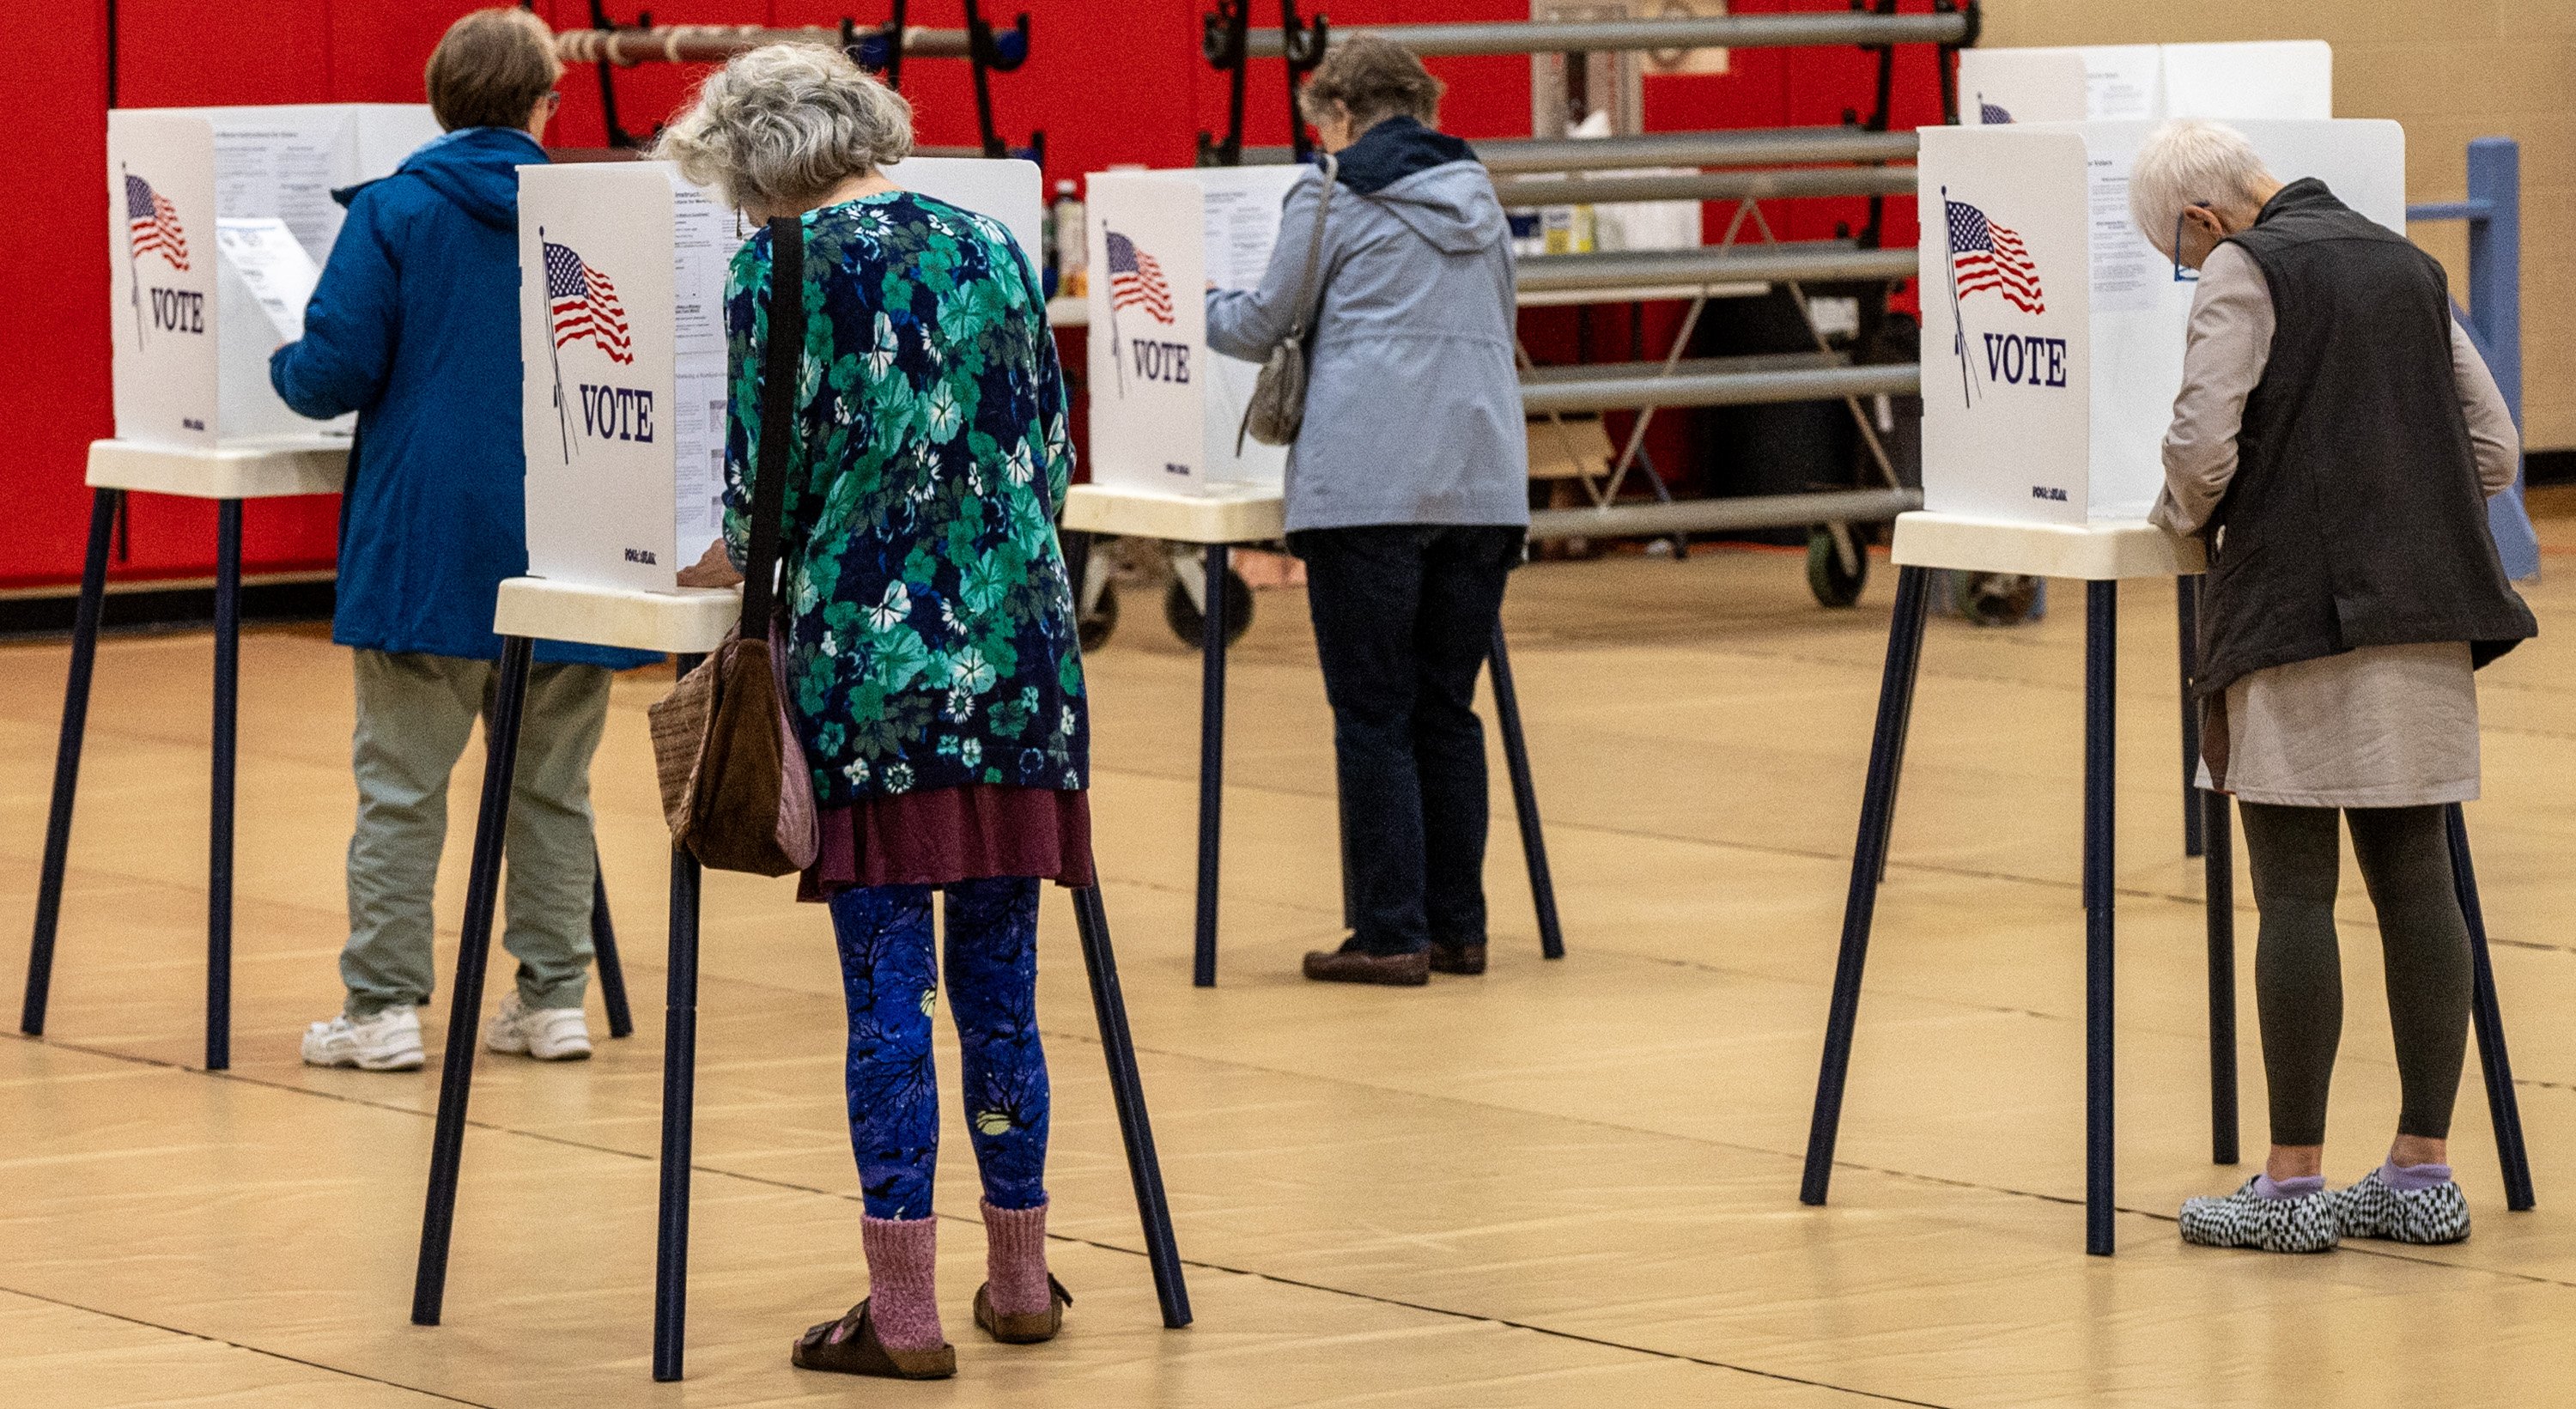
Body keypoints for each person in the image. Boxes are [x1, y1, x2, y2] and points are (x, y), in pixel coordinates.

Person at [657, 42, 1086, 1380]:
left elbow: (757, 500)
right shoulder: (990, 239)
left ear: (759, 164)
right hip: (1022, 663)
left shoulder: (775, 269)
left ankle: (901, 1309)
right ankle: (1019, 1279)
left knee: (887, 994)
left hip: (875, 684)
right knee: (1003, 987)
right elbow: (1052, 454)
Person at [2131, 118, 2536, 1253]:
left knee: (2295, 889)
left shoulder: (2244, 269)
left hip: (2296, 614)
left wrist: (2183, 519)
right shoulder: (2408, 265)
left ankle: (2293, 1190)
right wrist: (2386, 491)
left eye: (2179, 251)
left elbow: (2204, 448)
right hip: (2426, 605)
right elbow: (2495, 450)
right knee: (2418, 882)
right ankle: (2422, 1173)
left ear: (2203, 220)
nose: (2188, 268)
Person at [273, 7, 654, 1073]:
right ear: (549, 102)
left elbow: (330, 373)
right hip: (574, 536)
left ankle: (385, 1009)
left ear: (440, 103)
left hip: (427, 544)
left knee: (401, 788)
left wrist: (279, 367)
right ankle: (553, 1002)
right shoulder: (596, 212)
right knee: (551, 788)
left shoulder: (395, 209)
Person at [1205, 34, 1528, 987]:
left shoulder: (1331, 190)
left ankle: (1390, 933)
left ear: (1337, 113)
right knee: (1447, 709)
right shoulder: (1480, 194)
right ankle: (1460, 930)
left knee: (1374, 713)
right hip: (1482, 484)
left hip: (1367, 489)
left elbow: (1265, 320)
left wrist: (1200, 304)